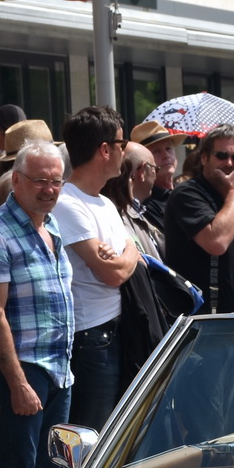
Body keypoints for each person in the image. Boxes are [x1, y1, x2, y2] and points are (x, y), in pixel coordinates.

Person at [0, 140, 74, 468]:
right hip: (24, 370)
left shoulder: (52, 224)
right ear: (16, 181)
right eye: (40, 181)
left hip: (59, 371)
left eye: (56, 182)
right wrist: (17, 383)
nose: (49, 190)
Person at [53, 106, 137, 431]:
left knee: (114, 437)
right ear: (105, 149)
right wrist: (123, 256)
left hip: (117, 332)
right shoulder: (67, 203)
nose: (124, 151)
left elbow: (134, 253)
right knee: (90, 439)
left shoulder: (105, 203)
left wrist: (123, 254)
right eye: (122, 143)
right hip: (91, 341)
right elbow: (112, 274)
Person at [164, 125, 234, 315]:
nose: (229, 163)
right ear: (204, 158)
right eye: (221, 155)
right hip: (209, 324)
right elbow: (216, 242)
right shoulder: (187, 194)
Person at [102, 141, 165, 260]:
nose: (155, 176)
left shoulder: (138, 212)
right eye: (155, 169)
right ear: (142, 170)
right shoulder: (117, 215)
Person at [128, 121, 182, 228]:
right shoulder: (144, 204)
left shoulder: (183, 191)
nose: (166, 155)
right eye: (156, 151)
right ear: (142, 162)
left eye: (168, 148)